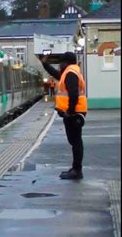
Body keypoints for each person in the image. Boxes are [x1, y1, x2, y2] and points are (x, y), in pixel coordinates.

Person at [38, 52, 88, 180]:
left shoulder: (71, 73)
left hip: (74, 114)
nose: (59, 65)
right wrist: (45, 64)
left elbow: (73, 94)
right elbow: (56, 74)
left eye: (61, 62)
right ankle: (75, 169)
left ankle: (77, 170)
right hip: (74, 113)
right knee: (74, 141)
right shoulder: (69, 72)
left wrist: (70, 111)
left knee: (76, 142)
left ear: (66, 62)